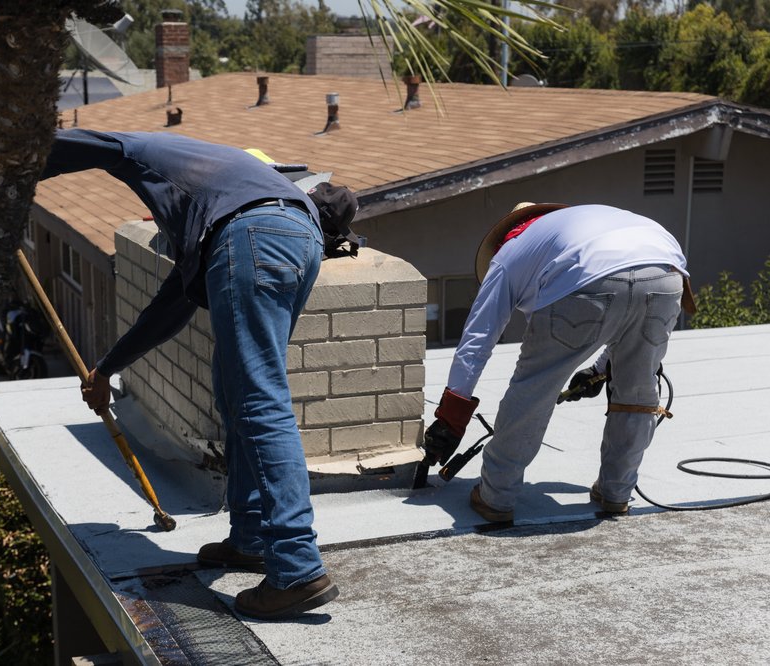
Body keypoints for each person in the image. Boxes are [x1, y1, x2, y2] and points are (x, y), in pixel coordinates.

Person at [40, 129, 358, 619]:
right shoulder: (234, 194)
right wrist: (106, 370)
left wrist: (7, 173)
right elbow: (168, 311)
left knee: (258, 398)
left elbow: (93, 144)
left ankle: (295, 565)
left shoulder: (158, 155)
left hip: (255, 241)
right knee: (238, 393)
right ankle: (252, 536)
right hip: (301, 242)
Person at [422, 202, 695, 522]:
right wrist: (599, 369)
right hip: (665, 273)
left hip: (586, 279)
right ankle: (616, 492)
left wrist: (451, 416)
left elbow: (478, 340)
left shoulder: (509, 251)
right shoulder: (580, 224)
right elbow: (627, 313)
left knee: (533, 389)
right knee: (638, 389)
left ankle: (496, 497)